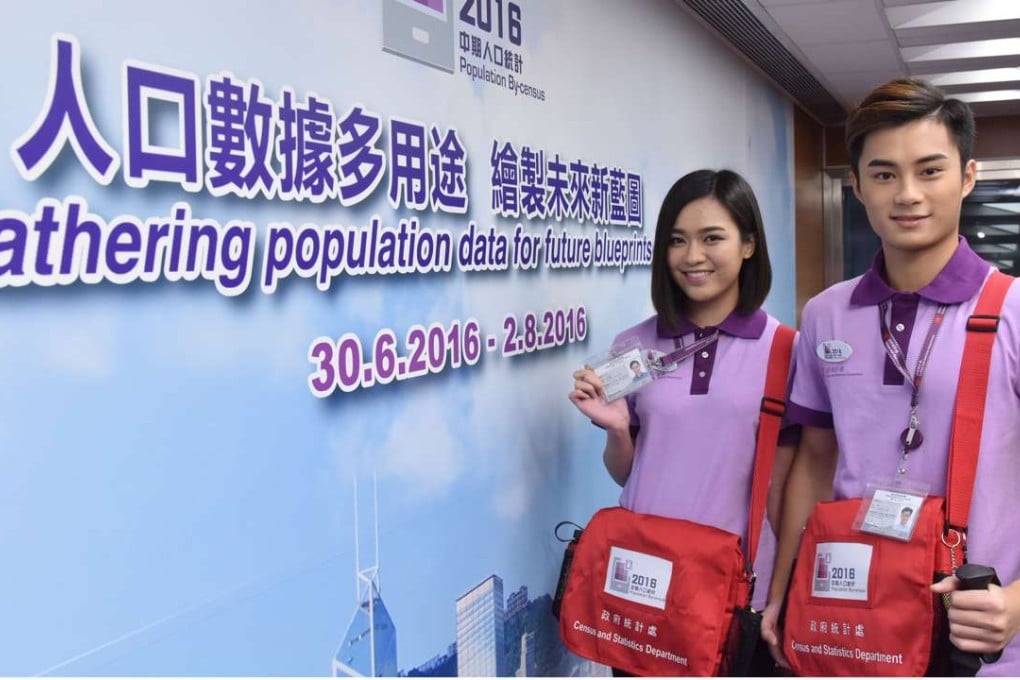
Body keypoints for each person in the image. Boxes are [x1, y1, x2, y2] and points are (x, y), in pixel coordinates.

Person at [760, 78, 1020, 674]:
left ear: (968, 176)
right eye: (884, 174)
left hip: (973, 636)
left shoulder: (1012, 311)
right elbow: (816, 461)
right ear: (856, 186)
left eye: (930, 171)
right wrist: (784, 588)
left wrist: (1017, 602)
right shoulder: (826, 313)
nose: (907, 194)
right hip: (850, 625)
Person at [569, 168, 798, 675]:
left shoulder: (786, 350)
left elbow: (791, 486)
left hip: (730, 593)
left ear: (748, 245)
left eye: (712, 238)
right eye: (677, 240)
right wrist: (617, 430)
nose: (692, 256)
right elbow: (628, 474)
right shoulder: (633, 345)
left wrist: (785, 591)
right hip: (642, 584)